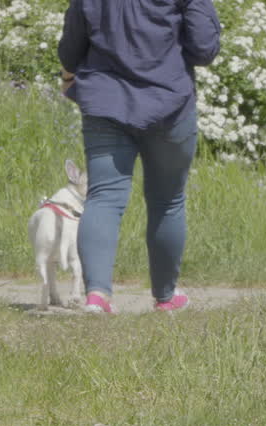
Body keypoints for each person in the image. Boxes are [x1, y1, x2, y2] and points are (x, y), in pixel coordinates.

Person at [57, 0, 222, 313]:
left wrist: (68, 77)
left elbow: (70, 49)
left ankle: (97, 297)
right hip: (170, 104)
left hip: (105, 102)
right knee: (168, 200)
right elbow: (204, 49)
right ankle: (166, 297)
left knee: (103, 197)